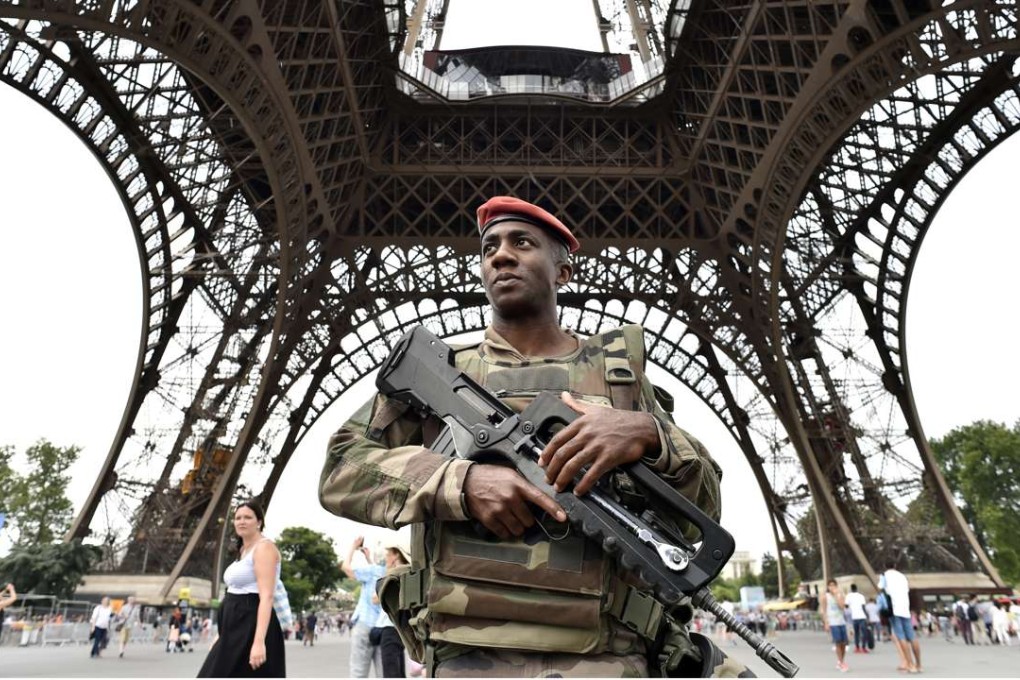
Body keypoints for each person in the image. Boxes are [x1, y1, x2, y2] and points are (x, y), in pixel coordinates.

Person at [320, 196, 733, 677]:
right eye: (489, 246)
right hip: (465, 656)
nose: (501, 254)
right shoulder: (440, 376)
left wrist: (650, 434)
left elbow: (700, 513)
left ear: (563, 272)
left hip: (604, 658)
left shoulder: (620, 378)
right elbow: (341, 467)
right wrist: (458, 482)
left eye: (523, 242)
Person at [198, 500, 285, 677]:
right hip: (234, 626)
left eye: (247, 517)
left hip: (250, 625)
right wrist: (221, 634)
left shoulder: (264, 548)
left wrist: (259, 642)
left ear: (259, 522)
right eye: (238, 518)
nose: (241, 521)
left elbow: (266, 597)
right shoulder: (244, 549)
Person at [340, 536, 384, 678]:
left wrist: (353, 546)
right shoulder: (391, 572)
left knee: (358, 673)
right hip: (383, 627)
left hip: (365, 623)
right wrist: (369, 559)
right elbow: (377, 578)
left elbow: (346, 568)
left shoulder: (372, 571)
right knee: (383, 673)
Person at [371, 538, 411, 678]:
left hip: (389, 628)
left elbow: (375, 598)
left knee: (390, 671)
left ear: (396, 555)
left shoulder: (393, 574)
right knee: (399, 670)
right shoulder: (408, 573)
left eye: (388, 555)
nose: (386, 558)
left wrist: (387, 571)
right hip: (400, 628)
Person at [880, 562, 921, 673]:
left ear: (885, 566)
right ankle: (918, 664)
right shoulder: (902, 576)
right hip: (905, 608)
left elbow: (881, 589)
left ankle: (910, 664)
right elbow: (907, 590)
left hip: (894, 609)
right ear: (895, 566)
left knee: (901, 637)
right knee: (912, 637)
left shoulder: (884, 576)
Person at [821, 580, 849, 672]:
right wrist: (826, 623)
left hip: (842, 621)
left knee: (844, 643)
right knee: (838, 642)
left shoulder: (840, 595)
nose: (832, 587)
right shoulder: (825, 597)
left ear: (837, 586)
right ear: (828, 587)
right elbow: (824, 611)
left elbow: (842, 607)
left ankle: (841, 661)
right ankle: (841, 663)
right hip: (833, 622)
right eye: (830, 585)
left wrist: (837, 596)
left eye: (834, 585)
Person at [845, 583, 868, 654]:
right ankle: (863, 648)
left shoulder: (848, 596)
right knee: (864, 633)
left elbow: (846, 606)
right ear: (856, 588)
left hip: (854, 617)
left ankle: (857, 648)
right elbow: (863, 607)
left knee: (857, 633)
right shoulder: (861, 596)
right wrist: (867, 616)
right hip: (862, 617)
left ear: (851, 589)